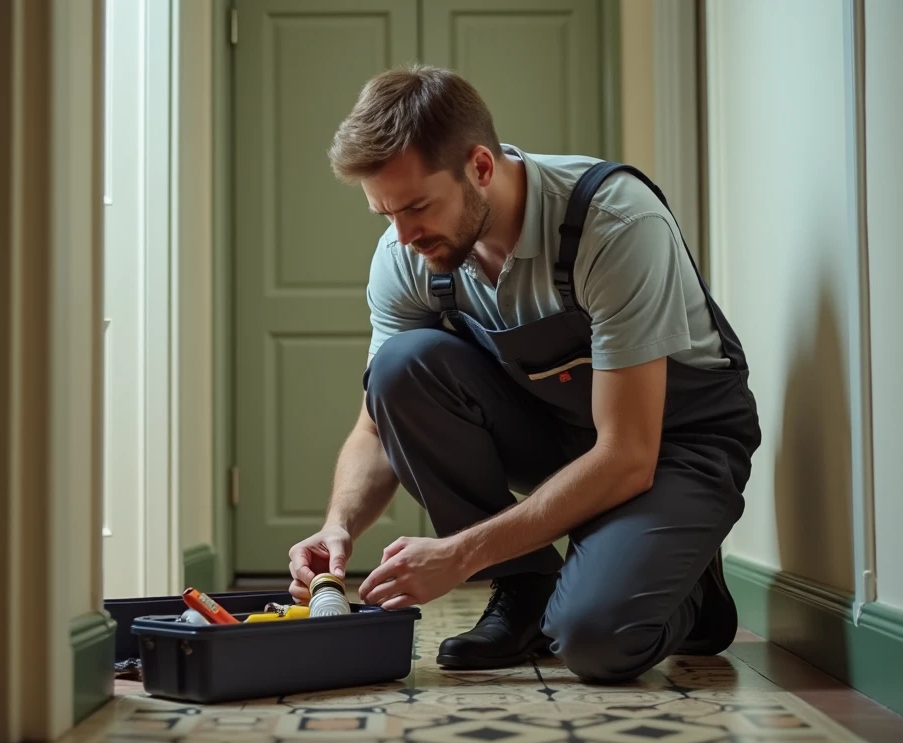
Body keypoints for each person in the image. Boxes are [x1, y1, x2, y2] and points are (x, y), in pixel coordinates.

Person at [286, 64, 761, 681]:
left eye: (417, 207)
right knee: (401, 370)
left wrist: (461, 554)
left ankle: (692, 592)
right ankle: (525, 588)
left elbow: (627, 453)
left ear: (480, 167)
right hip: (561, 431)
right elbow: (377, 427)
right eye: (385, 214)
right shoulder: (409, 252)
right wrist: (337, 526)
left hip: (672, 444)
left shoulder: (614, 224)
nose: (402, 236)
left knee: (594, 642)